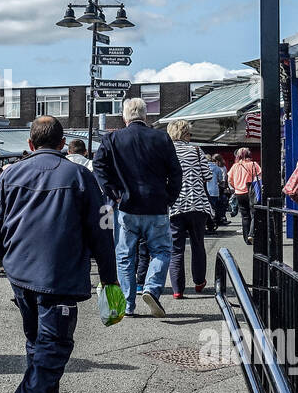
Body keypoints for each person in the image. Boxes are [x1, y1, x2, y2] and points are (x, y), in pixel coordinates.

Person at [0, 116, 121, 393]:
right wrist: (109, 278)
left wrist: (3, 256)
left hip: (21, 274)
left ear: (30, 144)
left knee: (37, 342)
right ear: (62, 144)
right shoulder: (81, 176)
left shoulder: (11, 174)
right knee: (54, 345)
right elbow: (103, 231)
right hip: (59, 274)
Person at [93, 97, 182, 316]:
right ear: (145, 116)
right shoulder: (161, 138)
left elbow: (98, 165)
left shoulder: (112, 139)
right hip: (157, 205)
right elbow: (176, 172)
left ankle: (127, 304)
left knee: (124, 254)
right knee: (161, 250)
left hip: (126, 206)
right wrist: (169, 197)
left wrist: (113, 193)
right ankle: (151, 288)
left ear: (125, 117)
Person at [166, 120, 213, 299]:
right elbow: (207, 176)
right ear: (186, 134)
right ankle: (199, 281)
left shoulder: (167, 152)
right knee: (197, 243)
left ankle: (177, 289)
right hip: (197, 204)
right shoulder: (196, 150)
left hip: (175, 205)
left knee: (176, 248)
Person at [226, 148, 262, 243]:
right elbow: (260, 177)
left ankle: (247, 239)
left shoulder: (235, 166)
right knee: (254, 214)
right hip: (251, 192)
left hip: (239, 193)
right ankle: (251, 234)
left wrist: (236, 186)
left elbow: (229, 180)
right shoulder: (253, 164)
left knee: (245, 216)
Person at [208, 153, 229, 227]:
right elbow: (222, 179)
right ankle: (216, 221)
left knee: (211, 207)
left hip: (208, 190)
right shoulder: (218, 168)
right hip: (216, 189)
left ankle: (212, 222)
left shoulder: (204, 167)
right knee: (216, 206)